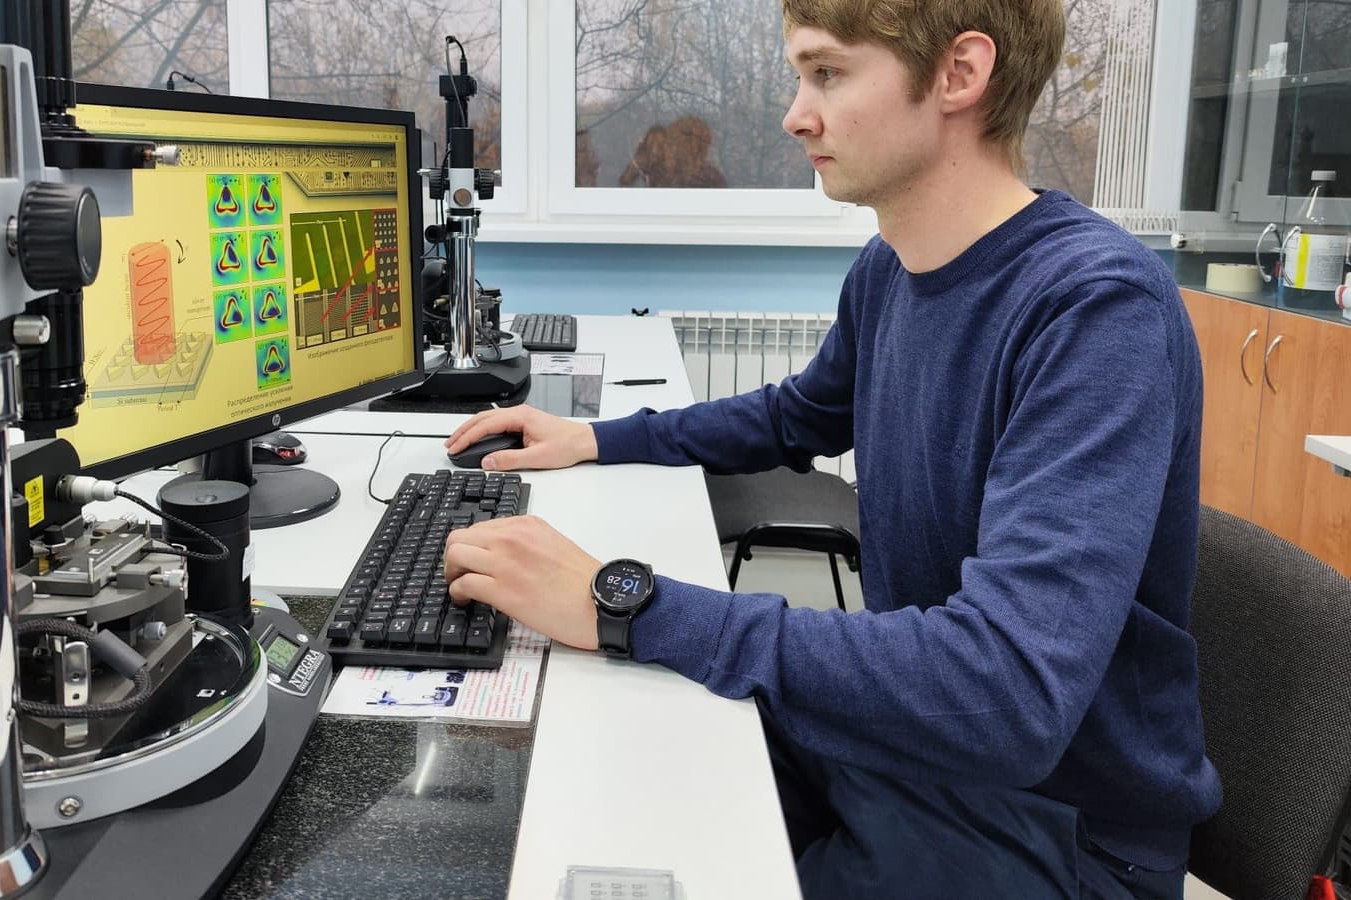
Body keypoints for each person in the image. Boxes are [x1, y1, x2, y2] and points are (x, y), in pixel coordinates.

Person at [442, 0, 1221, 897]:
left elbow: (1010, 692)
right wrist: (592, 436)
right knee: (629, 759)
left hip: (1064, 833)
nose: (794, 115)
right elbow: (794, 417)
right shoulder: (891, 270)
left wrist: (626, 604)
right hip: (922, 757)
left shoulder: (1094, 310)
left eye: (827, 74)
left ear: (959, 74)